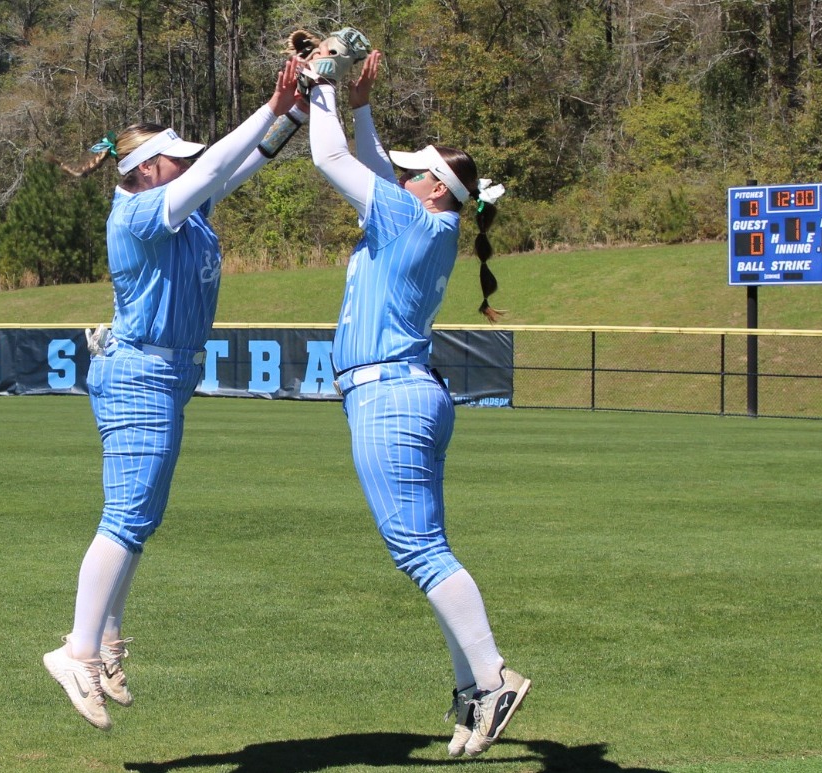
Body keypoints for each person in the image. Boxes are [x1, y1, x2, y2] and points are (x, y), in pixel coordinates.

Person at [42, 57, 303, 731]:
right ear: (147, 168)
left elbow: (248, 161)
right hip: (140, 373)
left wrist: (302, 107)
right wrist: (271, 105)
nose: (187, 164)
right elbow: (215, 168)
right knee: (127, 518)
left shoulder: (182, 209)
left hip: (162, 376)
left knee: (138, 518)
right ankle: (76, 650)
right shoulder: (138, 213)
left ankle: (103, 639)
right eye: (176, 159)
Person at [305, 48, 523, 758]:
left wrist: (320, 84)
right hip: (409, 391)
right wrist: (361, 105)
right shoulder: (427, 218)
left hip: (388, 394)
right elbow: (372, 169)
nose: (399, 178)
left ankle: (493, 677)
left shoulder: (409, 217)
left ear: (432, 189)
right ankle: (472, 690)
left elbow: (330, 157)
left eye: (412, 173)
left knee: (419, 550)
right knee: (429, 550)